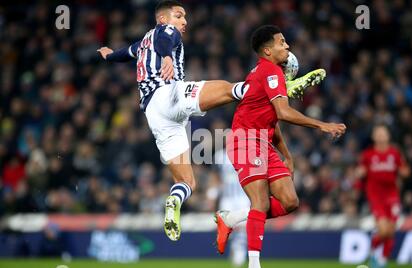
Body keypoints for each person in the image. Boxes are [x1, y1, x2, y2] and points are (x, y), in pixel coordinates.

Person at [97, 0, 325, 241]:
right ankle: (283, 89)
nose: (183, 21)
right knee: (228, 90)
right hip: (168, 94)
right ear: (163, 19)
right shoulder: (164, 31)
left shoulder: (142, 43)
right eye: (178, 16)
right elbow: (167, 39)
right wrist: (166, 58)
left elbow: (126, 54)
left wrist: (109, 56)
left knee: (187, 182)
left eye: (184, 17)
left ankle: (174, 200)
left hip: (155, 115)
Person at [215, 25, 346, 268]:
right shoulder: (269, 71)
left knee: (290, 201)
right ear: (267, 50)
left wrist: (287, 155)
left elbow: (272, 121)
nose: (287, 46)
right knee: (261, 203)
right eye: (282, 42)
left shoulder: (265, 74)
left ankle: (231, 218)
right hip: (245, 140)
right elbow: (284, 112)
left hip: (263, 141)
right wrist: (322, 125)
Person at [356, 124, 410, 268]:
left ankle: (383, 259)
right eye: (377, 133)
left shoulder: (395, 153)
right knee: (384, 230)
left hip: (392, 195)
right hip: (375, 195)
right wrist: (359, 172)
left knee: (391, 231)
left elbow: (404, 170)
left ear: (388, 136)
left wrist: (404, 172)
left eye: (383, 133)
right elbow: (359, 171)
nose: (380, 135)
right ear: (374, 137)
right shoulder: (368, 155)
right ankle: (373, 251)